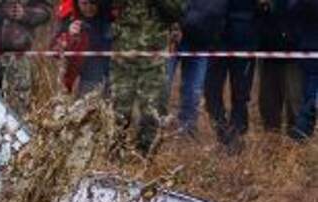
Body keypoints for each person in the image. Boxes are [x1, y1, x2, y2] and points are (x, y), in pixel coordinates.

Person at [112, 0, 185, 154]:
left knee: (152, 112)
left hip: (154, 60)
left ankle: (145, 157)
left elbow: (179, 11)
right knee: (118, 110)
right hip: (123, 57)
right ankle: (113, 154)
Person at [204, 0, 271, 151]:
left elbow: (265, 8)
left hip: (246, 36)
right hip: (217, 36)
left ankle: (236, 136)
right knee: (211, 90)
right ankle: (222, 132)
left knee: (241, 93)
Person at [0, 0, 51, 116]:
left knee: (18, 109)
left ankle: (14, 133)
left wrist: (25, 14)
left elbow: (46, 12)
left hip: (17, 57)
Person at [166, 0, 228, 138]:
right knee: (163, 85)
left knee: (193, 90)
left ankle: (187, 129)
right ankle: (153, 128)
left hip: (201, 38)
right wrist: (177, 25)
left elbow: (218, 8)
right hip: (171, 35)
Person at [257, 0, 303, 136]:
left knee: (295, 102)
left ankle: (297, 141)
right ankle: (272, 141)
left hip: (295, 54)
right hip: (267, 51)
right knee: (268, 103)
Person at [52, 0, 113, 97]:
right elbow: (54, 51)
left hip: (113, 71)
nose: (88, 8)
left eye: (93, 3)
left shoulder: (111, 12)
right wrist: (69, 36)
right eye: (84, 4)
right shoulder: (68, 16)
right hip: (85, 75)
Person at [288, 0, 318, 141]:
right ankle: (304, 131)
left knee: (311, 92)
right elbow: (293, 11)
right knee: (307, 91)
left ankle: (302, 129)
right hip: (307, 47)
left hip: (309, 47)